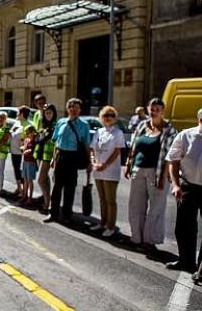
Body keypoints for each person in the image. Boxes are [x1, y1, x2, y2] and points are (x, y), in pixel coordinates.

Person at [125, 98, 178, 253]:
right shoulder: (142, 125)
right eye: (151, 109)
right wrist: (128, 163)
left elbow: (170, 155)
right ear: (148, 109)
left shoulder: (169, 129)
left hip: (157, 172)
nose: (153, 112)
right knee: (135, 206)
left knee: (156, 208)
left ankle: (150, 241)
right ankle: (136, 238)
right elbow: (134, 146)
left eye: (157, 109)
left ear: (162, 111)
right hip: (138, 170)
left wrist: (163, 177)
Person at [165, 108, 202, 274]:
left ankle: (201, 268)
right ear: (199, 120)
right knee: (184, 227)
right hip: (188, 186)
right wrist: (176, 184)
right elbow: (173, 160)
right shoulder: (185, 135)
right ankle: (185, 261)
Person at [44, 98, 91, 224]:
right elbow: (56, 142)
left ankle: (67, 215)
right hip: (61, 156)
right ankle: (53, 213)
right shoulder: (61, 122)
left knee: (70, 188)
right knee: (57, 186)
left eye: (76, 107)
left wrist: (89, 162)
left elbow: (87, 145)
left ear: (80, 109)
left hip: (73, 157)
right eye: (71, 107)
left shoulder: (84, 125)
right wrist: (54, 159)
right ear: (67, 109)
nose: (73, 109)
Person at [89, 106, 126, 237]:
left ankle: (111, 226)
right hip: (98, 169)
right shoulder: (98, 132)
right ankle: (103, 222)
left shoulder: (117, 133)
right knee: (102, 198)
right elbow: (92, 149)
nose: (108, 117)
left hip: (110, 170)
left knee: (110, 200)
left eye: (111, 115)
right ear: (101, 118)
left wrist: (105, 164)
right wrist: (94, 162)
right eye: (105, 115)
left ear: (114, 118)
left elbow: (117, 151)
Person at [34, 103, 57, 214]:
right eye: (46, 113)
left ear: (54, 113)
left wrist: (54, 157)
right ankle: (47, 201)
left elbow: (55, 142)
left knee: (40, 180)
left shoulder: (55, 125)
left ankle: (48, 203)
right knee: (45, 180)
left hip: (48, 156)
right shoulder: (43, 125)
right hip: (40, 154)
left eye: (50, 113)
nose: (48, 115)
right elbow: (38, 138)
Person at [10, 106, 31, 195]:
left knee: (22, 171)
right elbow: (12, 131)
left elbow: (29, 138)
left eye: (18, 112)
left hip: (21, 153)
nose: (16, 114)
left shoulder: (27, 125)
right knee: (16, 169)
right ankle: (19, 188)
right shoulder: (17, 123)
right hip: (13, 151)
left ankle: (25, 190)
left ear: (22, 114)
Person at [21, 125, 38, 204]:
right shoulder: (26, 140)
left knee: (29, 180)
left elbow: (33, 150)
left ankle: (29, 198)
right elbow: (24, 148)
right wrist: (23, 149)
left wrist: (28, 151)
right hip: (25, 161)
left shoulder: (35, 141)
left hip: (31, 162)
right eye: (26, 133)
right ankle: (24, 196)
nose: (26, 134)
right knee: (25, 180)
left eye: (27, 133)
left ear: (32, 132)